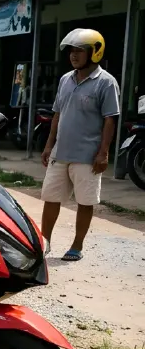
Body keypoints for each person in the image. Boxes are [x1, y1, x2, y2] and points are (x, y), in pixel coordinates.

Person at [39, 28, 120, 262]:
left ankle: (77, 245)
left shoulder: (106, 82)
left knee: (85, 201)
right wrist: (49, 145)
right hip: (60, 152)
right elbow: (57, 114)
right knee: (50, 198)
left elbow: (110, 119)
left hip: (88, 155)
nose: (73, 55)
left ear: (95, 52)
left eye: (79, 51)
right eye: (71, 51)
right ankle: (44, 242)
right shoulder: (65, 79)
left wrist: (103, 153)